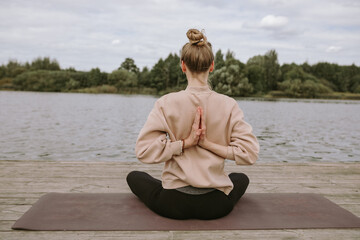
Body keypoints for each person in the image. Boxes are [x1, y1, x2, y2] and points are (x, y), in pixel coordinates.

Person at [127, 29, 259, 220]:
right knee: (241, 179)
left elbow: (143, 151)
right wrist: (207, 145)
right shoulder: (229, 105)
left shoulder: (165, 103)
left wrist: (184, 144)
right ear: (212, 66)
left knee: (134, 176)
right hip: (216, 205)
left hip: (173, 202)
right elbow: (250, 154)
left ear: (183, 65)